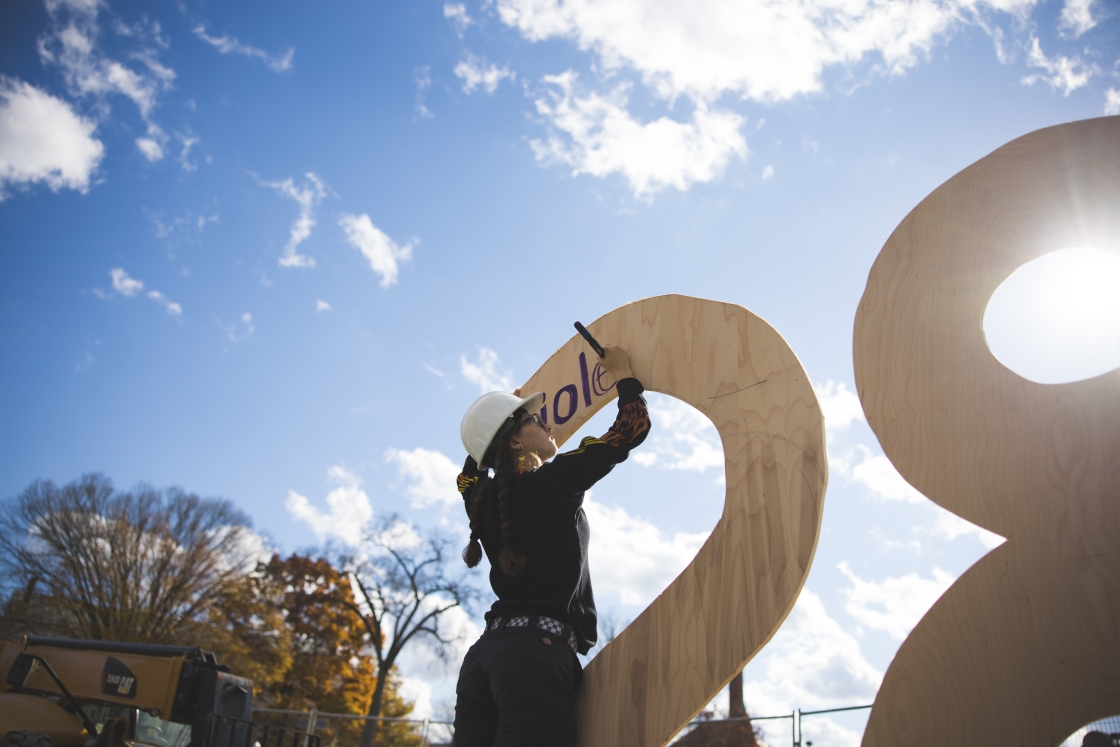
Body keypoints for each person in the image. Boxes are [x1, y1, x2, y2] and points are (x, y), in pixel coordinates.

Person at [452, 343, 650, 747]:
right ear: (514, 443)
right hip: (535, 660)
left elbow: (467, 477)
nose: (549, 426)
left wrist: (495, 423)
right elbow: (631, 427)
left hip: (483, 658)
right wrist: (625, 376)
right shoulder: (554, 483)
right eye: (535, 422)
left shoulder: (481, 499)